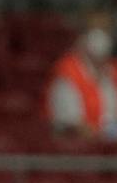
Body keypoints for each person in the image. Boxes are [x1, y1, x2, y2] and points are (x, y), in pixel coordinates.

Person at [45, 8, 117, 140]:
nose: (101, 37)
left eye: (105, 30)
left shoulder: (112, 69)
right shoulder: (67, 70)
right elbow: (72, 124)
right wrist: (104, 135)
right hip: (79, 149)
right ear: (83, 36)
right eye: (95, 30)